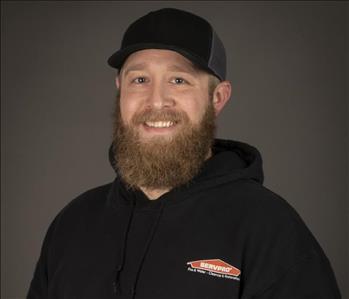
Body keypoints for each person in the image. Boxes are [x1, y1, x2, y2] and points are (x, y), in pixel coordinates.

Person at [27, 7, 342, 299]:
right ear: (120, 89)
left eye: (179, 80)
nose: (157, 100)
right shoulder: (73, 225)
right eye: (140, 79)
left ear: (217, 98)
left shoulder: (270, 230)